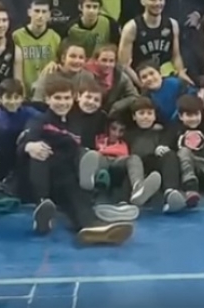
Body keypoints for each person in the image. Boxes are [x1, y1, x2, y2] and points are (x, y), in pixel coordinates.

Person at [19, 75, 136, 244]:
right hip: (38, 177)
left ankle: (93, 228)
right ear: (47, 99)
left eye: (66, 98)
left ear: (73, 98)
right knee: (40, 151)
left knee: (75, 194)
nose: (62, 102)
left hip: (63, 177)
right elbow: (23, 141)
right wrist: (28, 146)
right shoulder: (39, 120)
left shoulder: (75, 124)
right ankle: (42, 207)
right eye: (57, 98)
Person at [12, 0, 62, 96]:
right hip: (23, 92)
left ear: (49, 15)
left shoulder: (55, 38)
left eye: (44, 12)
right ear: (29, 12)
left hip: (46, 94)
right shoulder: (16, 36)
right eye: (36, 11)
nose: (40, 15)